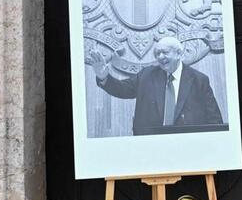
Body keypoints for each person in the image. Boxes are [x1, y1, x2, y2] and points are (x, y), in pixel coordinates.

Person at [90, 35, 224, 136]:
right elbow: (123, 89)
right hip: (150, 142)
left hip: (188, 143)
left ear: (179, 53)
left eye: (165, 52)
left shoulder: (199, 80)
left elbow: (214, 118)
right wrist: (104, 77)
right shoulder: (146, 75)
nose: (160, 57)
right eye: (157, 53)